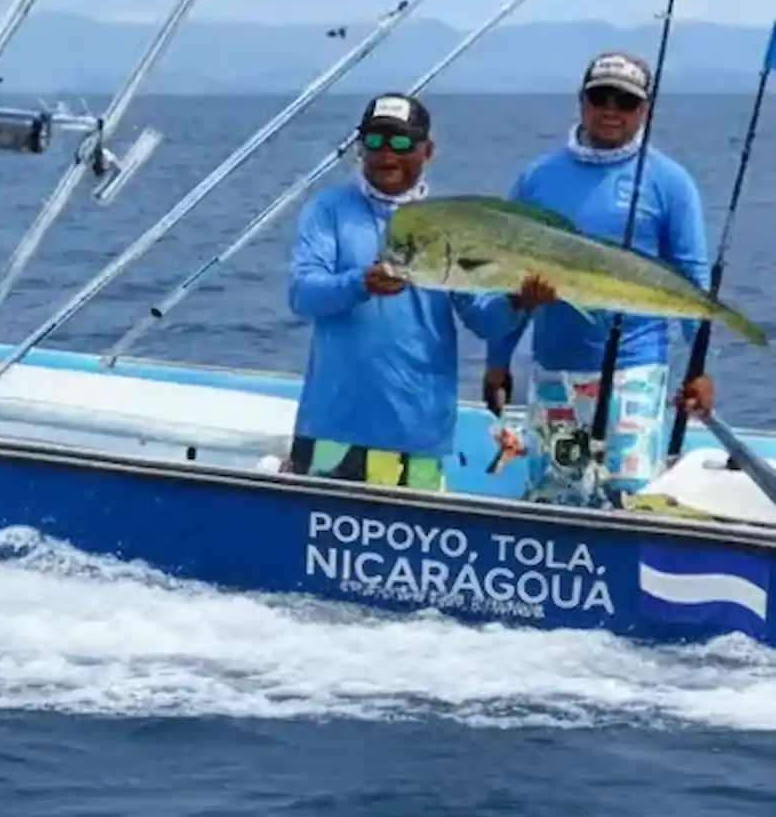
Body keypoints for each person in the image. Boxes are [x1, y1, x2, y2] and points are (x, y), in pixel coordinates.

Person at [479, 50, 716, 504]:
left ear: (644, 111)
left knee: (628, 501)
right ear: (581, 101)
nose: (611, 109)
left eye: (625, 102)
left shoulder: (671, 182)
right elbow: (504, 276)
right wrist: (498, 360)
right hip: (553, 371)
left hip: (635, 373)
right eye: (600, 96)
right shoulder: (536, 179)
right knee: (556, 499)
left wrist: (699, 369)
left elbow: (691, 280)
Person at [284, 92, 517, 491]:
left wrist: (521, 300)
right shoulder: (329, 209)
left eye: (401, 142)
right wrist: (360, 283)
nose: (385, 154)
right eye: (373, 141)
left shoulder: (450, 224)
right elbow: (303, 294)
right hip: (333, 430)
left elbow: (486, 320)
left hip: (419, 435)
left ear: (428, 151)